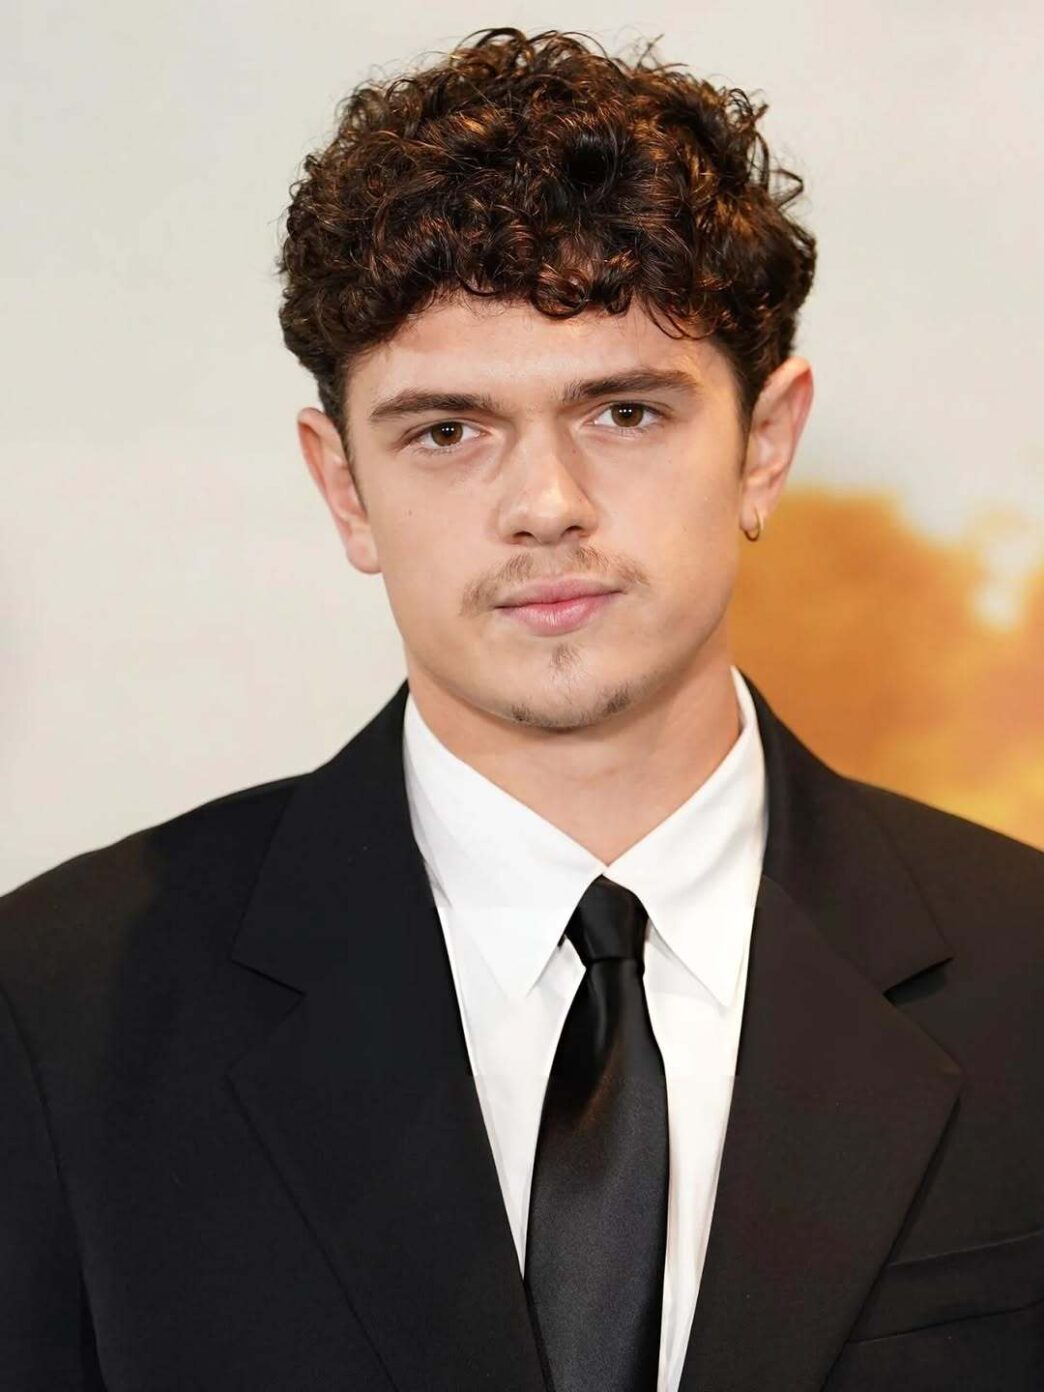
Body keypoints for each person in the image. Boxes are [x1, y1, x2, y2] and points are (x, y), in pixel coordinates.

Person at [1, 25, 1041, 1392]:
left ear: (764, 445)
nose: (545, 505)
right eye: (448, 430)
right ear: (343, 487)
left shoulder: (1028, 978)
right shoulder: (55, 1010)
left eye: (624, 414)